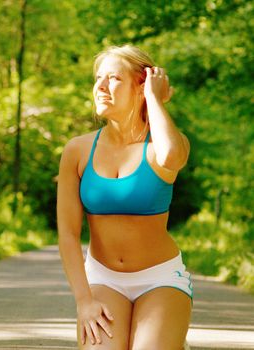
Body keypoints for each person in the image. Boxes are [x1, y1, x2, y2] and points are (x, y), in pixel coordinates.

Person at [56, 44, 193, 349]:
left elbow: (171, 155)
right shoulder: (77, 150)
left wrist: (154, 99)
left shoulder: (162, 146)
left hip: (161, 279)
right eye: (98, 78)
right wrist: (84, 301)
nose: (101, 87)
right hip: (103, 279)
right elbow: (67, 233)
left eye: (114, 79)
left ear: (140, 86)